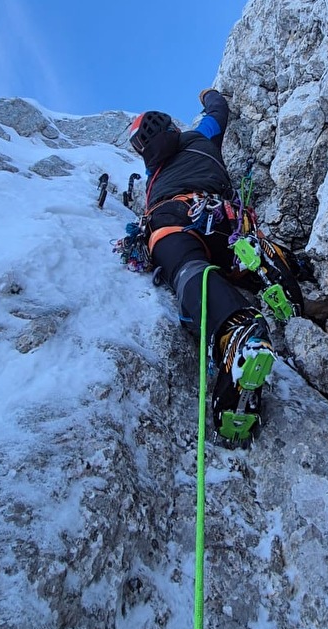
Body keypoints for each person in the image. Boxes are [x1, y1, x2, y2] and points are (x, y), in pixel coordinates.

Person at [127, 88, 299, 441]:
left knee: (191, 269)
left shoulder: (153, 177)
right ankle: (265, 258)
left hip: (172, 219)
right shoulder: (200, 136)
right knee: (231, 257)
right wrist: (208, 95)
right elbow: (219, 109)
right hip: (221, 218)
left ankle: (237, 331)